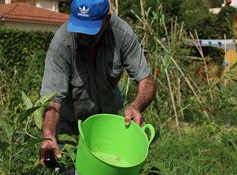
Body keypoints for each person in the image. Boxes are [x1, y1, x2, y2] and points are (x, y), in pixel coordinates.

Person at [39, 0, 156, 165]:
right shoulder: (62, 43)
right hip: (70, 124)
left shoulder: (121, 34)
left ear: (107, 20)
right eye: (80, 27)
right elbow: (52, 100)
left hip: (107, 125)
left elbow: (147, 80)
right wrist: (48, 132)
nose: (84, 34)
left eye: (91, 29)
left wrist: (136, 106)